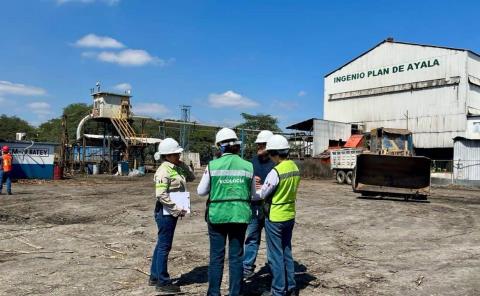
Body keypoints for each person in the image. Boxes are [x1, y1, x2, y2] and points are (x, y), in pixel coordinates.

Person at [197, 127, 256, 296]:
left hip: (217, 216)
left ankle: (214, 293)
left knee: (216, 257)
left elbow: (201, 191)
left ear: (219, 147)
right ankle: (235, 293)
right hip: (240, 215)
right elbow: (253, 194)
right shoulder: (248, 166)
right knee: (236, 258)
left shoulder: (213, 165)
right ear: (237, 145)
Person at [149, 138, 195, 294]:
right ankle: (162, 281)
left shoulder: (176, 168)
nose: (178, 156)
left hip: (170, 210)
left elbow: (191, 178)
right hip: (166, 211)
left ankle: (154, 276)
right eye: (176, 154)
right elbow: (160, 195)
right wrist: (176, 209)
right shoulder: (164, 171)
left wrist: (183, 165)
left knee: (162, 244)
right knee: (164, 246)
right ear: (167, 155)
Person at [257, 135, 300, 296]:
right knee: (286, 251)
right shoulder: (294, 167)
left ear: (274, 153)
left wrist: (253, 190)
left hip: (275, 217)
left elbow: (263, 194)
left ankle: (278, 291)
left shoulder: (276, 171)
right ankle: (291, 287)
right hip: (289, 214)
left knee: (275, 255)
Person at [243, 130, 275, 279]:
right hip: (254, 207)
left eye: (262, 145)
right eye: (259, 144)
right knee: (252, 238)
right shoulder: (251, 162)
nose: (259, 147)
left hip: (271, 208)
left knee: (272, 241)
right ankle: (247, 268)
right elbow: (243, 184)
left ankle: (273, 268)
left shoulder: (276, 163)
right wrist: (250, 183)